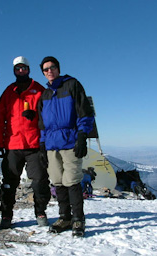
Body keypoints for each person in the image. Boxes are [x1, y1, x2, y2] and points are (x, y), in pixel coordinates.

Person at [38, 56, 95, 237]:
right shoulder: (45, 94)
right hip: (52, 145)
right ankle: (65, 217)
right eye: (46, 69)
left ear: (58, 68)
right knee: (57, 181)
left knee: (72, 181)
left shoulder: (72, 85)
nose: (49, 71)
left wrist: (82, 135)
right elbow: (41, 123)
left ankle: (78, 219)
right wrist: (42, 143)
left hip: (70, 141)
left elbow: (84, 111)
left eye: (52, 67)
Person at [0, 56, 51, 229]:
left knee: (40, 181)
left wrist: (36, 116)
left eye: (24, 68)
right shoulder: (9, 92)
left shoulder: (39, 90)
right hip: (13, 145)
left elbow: (48, 116)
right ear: (14, 71)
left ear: (29, 69)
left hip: (34, 145)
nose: (21, 71)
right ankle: (6, 214)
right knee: (9, 182)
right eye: (17, 69)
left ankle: (40, 211)